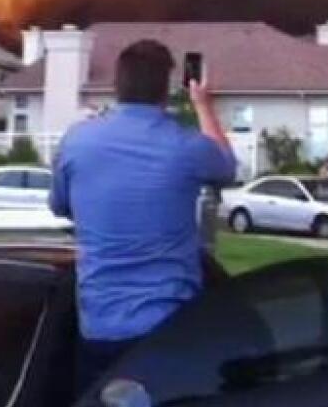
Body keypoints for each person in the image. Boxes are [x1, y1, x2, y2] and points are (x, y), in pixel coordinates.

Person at [50, 40, 236, 393]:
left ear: (117, 85)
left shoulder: (76, 142)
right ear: (166, 89)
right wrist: (203, 105)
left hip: (100, 331)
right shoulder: (185, 146)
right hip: (169, 332)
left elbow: (60, 206)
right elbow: (226, 167)